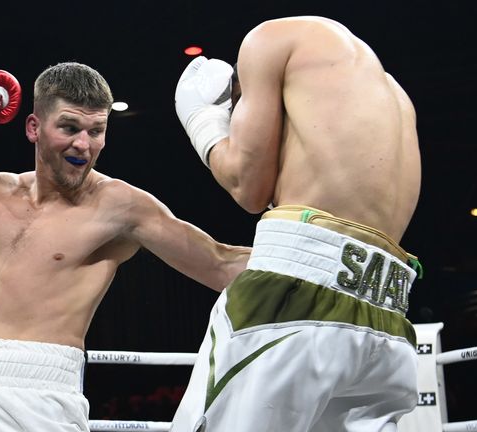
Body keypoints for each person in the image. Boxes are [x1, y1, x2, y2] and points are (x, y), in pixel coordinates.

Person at [0, 63, 251, 432]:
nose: (83, 144)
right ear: (34, 128)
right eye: (69, 128)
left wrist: (303, 241)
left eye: (96, 131)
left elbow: (219, 264)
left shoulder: (120, 206)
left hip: (37, 400)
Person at [171, 16, 422, 432]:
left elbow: (246, 185)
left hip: (294, 301)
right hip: (387, 318)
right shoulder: (392, 92)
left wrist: (202, 120)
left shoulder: (270, 39)